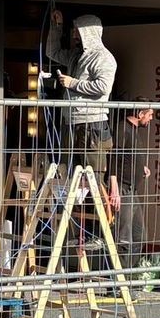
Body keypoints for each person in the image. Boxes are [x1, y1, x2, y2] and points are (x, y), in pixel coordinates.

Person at [45, 10, 118, 199]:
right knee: (69, 176)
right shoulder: (76, 55)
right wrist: (56, 27)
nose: (74, 34)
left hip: (91, 124)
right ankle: (69, 217)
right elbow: (52, 52)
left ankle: (104, 216)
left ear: (88, 32)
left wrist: (73, 83)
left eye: (77, 30)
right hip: (72, 121)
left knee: (94, 180)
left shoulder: (103, 57)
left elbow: (103, 87)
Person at [110, 101, 154, 264]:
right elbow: (113, 158)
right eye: (149, 115)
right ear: (140, 114)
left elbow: (128, 156)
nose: (151, 119)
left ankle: (129, 273)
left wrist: (141, 167)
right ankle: (119, 278)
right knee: (125, 238)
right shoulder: (123, 129)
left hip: (132, 190)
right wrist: (115, 190)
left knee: (139, 235)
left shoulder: (134, 130)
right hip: (123, 188)